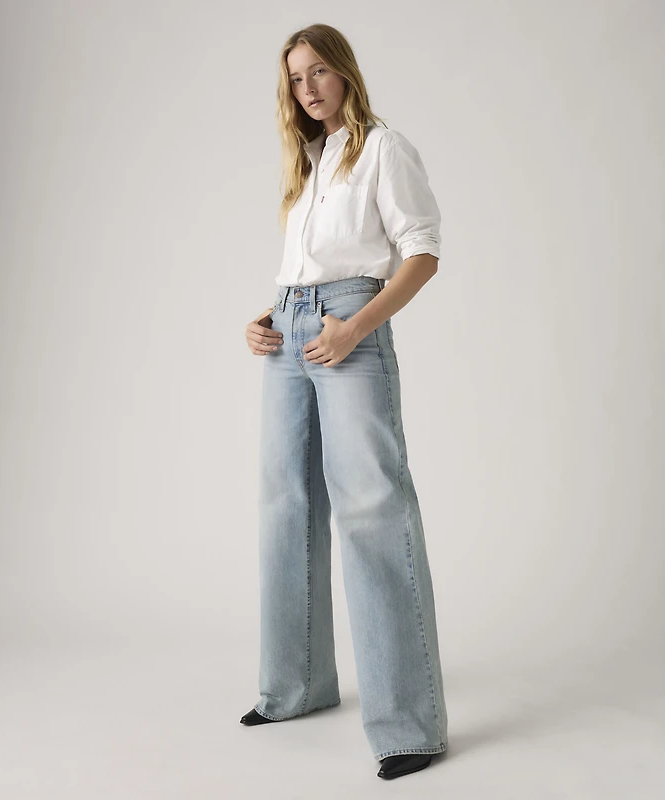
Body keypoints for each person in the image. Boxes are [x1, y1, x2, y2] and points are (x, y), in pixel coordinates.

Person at [241, 23, 449, 781]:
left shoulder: (383, 148)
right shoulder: (309, 158)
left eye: (319, 72)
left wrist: (356, 327)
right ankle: (296, 686)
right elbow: (306, 266)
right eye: (296, 78)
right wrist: (268, 318)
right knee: (285, 504)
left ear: (345, 73)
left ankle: (410, 727)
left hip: (348, 324)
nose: (308, 88)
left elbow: (422, 252)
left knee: (371, 509)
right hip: (291, 325)